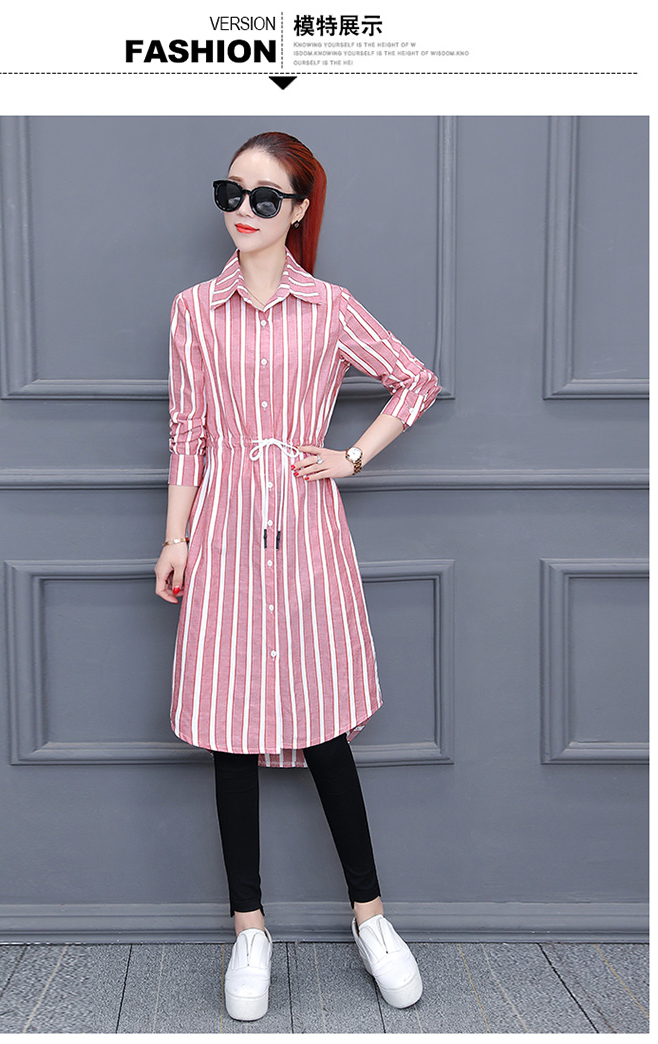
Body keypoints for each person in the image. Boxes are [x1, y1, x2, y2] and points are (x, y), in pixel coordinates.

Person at [154, 131, 441, 1022]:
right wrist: (175, 538)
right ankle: (249, 930)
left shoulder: (330, 308)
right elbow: (189, 432)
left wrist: (349, 457)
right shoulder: (194, 310)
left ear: (300, 209)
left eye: (265, 198)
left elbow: (414, 381)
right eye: (231, 193)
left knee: (323, 726)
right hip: (224, 527)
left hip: (309, 528)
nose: (244, 211)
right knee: (231, 733)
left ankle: (371, 918)